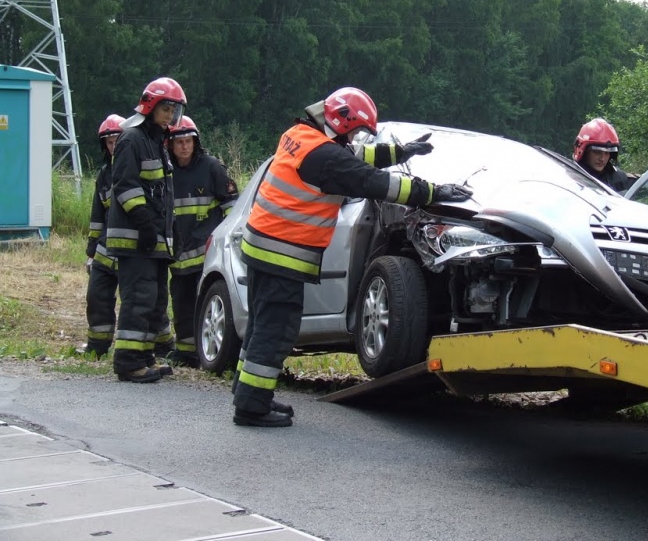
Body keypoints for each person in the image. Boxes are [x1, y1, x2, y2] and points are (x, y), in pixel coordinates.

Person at [232, 87, 472, 427]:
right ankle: (252, 405)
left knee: (261, 324)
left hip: (261, 247)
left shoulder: (300, 135)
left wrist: (402, 151)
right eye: (354, 128)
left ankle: (246, 391)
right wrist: (434, 192)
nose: (354, 137)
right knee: (276, 329)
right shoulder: (327, 158)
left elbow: (356, 155)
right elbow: (374, 182)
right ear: (339, 121)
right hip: (283, 253)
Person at [106, 77, 186, 383]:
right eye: (166, 109)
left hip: (153, 240)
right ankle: (128, 362)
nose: (170, 116)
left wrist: (170, 231)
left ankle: (145, 357)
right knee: (138, 299)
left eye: (174, 110)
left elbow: (162, 195)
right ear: (150, 106)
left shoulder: (156, 142)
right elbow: (126, 187)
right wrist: (145, 225)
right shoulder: (131, 139)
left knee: (153, 301)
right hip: (136, 239)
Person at [167, 116, 239, 367]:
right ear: (170, 145)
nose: (184, 147)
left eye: (188, 141)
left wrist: (224, 241)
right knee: (181, 302)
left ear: (196, 143)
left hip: (207, 254)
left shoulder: (212, 168)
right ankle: (186, 351)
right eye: (179, 142)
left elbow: (231, 206)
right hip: (178, 254)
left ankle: (205, 351)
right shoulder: (166, 172)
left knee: (206, 304)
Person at [83, 114, 124, 358]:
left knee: (142, 304)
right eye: (109, 142)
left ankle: (160, 346)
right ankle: (97, 348)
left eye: (117, 140)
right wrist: (91, 251)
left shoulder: (138, 168)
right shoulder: (103, 175)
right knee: (96, 297)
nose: (114, 146)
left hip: (131, 252)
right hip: (104, 251)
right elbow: (97, 217)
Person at [573, 117, 648, 192]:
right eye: (597, 152)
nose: (603, 158)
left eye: (608, 153)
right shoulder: (569, 177)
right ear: (583, 150)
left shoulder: (617, 179)